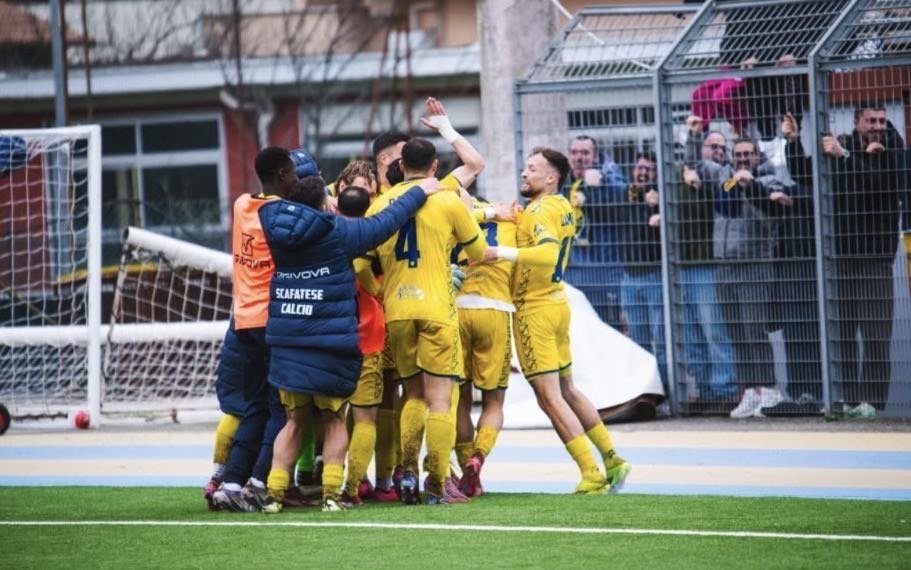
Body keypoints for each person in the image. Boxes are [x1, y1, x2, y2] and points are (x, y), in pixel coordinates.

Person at [260, 172, 443, 513]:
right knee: (332, 419)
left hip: (287, 339)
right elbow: (384, 223)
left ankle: (273, 495)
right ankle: (331, 494)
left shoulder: (275, 230)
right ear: (324, 204)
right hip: (328, 343)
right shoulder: (337, 233)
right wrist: (419, 191)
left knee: (294, 421)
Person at [484, 148, 630, 494]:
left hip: (534, 309)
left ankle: (591, 473)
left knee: (549, 397)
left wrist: (497, 252)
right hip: (556, 303)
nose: (524, 173)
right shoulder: (561, 205)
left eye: (532, 169)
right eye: (525, 167)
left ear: (551, 178)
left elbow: (547, 253)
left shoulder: (539, 210)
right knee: (567, 389)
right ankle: (613, 459)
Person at [364, 98, 488, 505]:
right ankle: (436, 482)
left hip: (398, 311)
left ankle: (406, 475)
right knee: (439, 399)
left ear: (399, 167)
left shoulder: (380, 205)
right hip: (436, 308)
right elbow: (478, 252)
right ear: (435, 166)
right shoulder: (448, 199)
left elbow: (360, 262)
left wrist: (380, 291)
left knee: (412, 395)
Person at [211, 146, 315, 512]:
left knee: (255, 405)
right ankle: (259, 482)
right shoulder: (282, 214)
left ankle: (231, 483)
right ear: (284, 175)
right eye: (294, 174)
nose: (297, 180)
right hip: (272, 321)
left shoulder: (242, 204)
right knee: (279, 409)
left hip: (243, 321)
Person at [818, 105, 908, 415]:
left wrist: (844, 156)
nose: (877, 126)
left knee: (875, 334)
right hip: (841, 255)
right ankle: (847, 399)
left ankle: (870, 403)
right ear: (857, 122)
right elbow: (806, 173)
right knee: (842, 332)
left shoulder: (893, 149)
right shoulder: (842, 144)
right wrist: (791, 143)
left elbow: (879, 185)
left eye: (882, 120)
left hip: (875, 257)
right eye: (871, 121)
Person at [712, 137, 793, 419]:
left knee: (754, 331)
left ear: (757, 156)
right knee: (736, 333)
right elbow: (702, 169)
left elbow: (772, 216)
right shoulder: (726, 179)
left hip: (754, 265)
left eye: (748, 154)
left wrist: (752, 187)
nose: (743, 159)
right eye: (738, 154)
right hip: (725, 265)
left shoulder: (768, 180)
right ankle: (750, 391)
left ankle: (769, 389)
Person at [452, 195, 517, 498]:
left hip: (459, 308)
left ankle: (468, 474)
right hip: (495, 309)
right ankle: (478, 458)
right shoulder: (513, 221)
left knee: (459, 399)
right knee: (494, 402)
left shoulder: (457, 218)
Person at [333, 184, 389, 506]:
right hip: (369, 339)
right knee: (366, 418)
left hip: (334, 340)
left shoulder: (324, 238)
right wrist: (378, 293)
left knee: (332, 418)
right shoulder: (374, 237)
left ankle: (326, 484)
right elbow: (364, 268)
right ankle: (353, 488)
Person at [679, 118, 739, 406]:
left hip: (706, 265)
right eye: (712, 146)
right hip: (681, 265)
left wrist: (695, 145)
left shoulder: (722, 176)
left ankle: (724, 391)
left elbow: (703, 168)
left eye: (722, 147)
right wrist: (693, 138)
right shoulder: (684, 173)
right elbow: (691, 163)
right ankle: (704, 392)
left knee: (714, 330)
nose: (718, 151)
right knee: (692, 335)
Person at [612, 152, 667, 392]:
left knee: (661, 338)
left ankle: (666, 390)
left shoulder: (660, 195)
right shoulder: (627, 194)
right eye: (640, 168)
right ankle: (647, 391)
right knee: (638, 339)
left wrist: (655, 206)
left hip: (654, 274)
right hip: (629, 276)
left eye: (649, 169)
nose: (643, 172)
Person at [562, 135, 626, 329]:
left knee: (606, 327)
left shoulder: (608, 175)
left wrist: (599, 186)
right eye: (574, 153)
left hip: (604, 268)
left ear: (595, 156)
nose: (579, 158)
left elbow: (624, 198)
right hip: (573, 269)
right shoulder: (564, 183)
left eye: (585, 153)